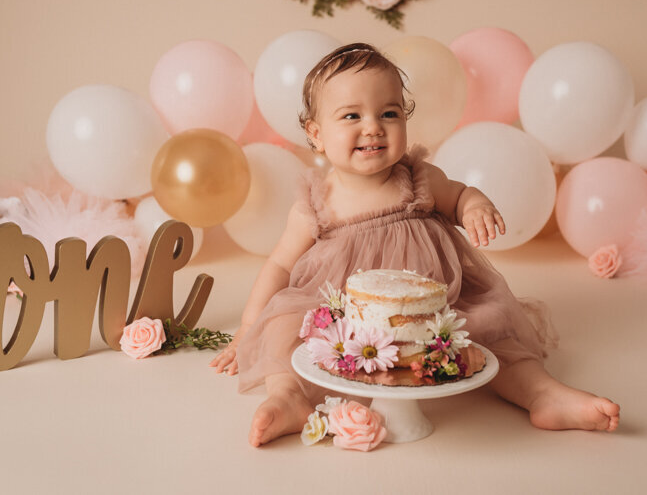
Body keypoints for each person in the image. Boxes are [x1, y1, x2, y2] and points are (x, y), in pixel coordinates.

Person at [210, 43, 619, 446]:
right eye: (351, 115)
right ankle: (289, 399)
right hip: (343, 317)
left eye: (389, 113)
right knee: (284, 325)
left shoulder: (418, 178)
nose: (373, 126)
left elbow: (459, 196)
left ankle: (542, 394)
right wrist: (249, 326)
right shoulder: (316, 203)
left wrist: (475, 206)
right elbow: (281, 266)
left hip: (436, 311)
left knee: (492, 325)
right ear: (316, 135)